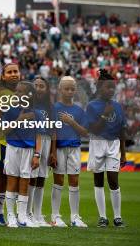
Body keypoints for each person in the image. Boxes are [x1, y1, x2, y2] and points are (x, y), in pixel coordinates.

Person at [87, 70, 127, 227]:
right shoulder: (91, 106)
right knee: (98, 180)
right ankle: (102, 217)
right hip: (97, 142)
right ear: (99, 88)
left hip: (113, 144)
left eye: (113, 87)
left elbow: (122, 130)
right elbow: (94, 129)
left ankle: (118, 217)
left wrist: (123, 153)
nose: (111, 90)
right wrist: (104, 115)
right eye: (108, 87)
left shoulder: (117, 106)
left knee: (113, 180)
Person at [50, 76, 89, 228]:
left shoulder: (79, 110)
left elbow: (85, 132)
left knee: (74, 181)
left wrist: (71, 122)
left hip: (74, 148)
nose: (69, 91)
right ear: (60, 89)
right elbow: (52, 131)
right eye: (66, 88)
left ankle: (74, 217)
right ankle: (55, 216)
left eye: (72, 89)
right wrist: (52, 152)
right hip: (59, 148)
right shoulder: (54, 109)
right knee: (58, 181)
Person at [2, 81, 41, 228]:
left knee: (25, 182)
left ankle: (22, 215)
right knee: (12, 181)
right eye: (16, 91)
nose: (17, 94)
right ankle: (11, 216)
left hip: (30, 151)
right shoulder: (10, 110)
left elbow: (38, 135)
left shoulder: (36, 113)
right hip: (13, 148)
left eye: (21, 92)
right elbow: (4, 131)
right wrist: (19, 120)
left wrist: (37, 154)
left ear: (29, 95)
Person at [0, 62, 20, 226]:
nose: (14, 74)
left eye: (16, 71)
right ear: (3, 76)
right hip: (3, 140)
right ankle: (0, 213)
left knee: (21, 176)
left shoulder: (24, 93)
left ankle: (19, 213)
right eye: (10, 72)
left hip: (23, 141)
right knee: (4, 175)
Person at [27, 76, 54, 227]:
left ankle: (37, 214)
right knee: (32, 175)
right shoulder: (28, 105)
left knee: (42, 177)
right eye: (35, 85)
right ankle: (27, 212)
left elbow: (54, 130)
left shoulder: (50, 107)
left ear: (46, 89)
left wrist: (53, 152)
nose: (38, 88)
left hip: (47, 141)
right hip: (32, 140)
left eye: (41, 86)